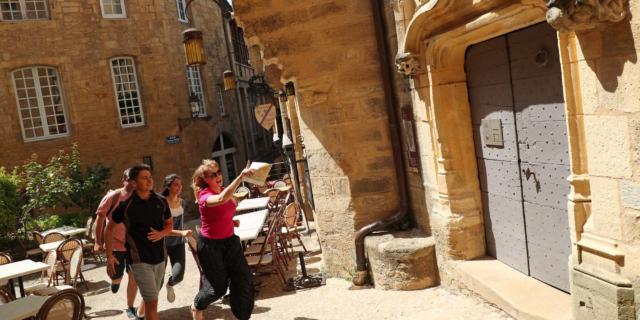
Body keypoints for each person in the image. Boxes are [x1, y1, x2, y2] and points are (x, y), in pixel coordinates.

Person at [106, 164, 173, 320]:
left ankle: (140, 315)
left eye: (150, 177)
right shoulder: (126, 206)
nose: (149, 180)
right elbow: (108, 229)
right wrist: (109, 255)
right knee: (152, 302)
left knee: (152, 299)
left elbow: (169, 224)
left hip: (160, 258)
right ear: (134, 183)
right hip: (139, 260)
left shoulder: (161, 201)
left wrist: (162, 233)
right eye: (144, 178)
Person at [191, 160, 255, 320]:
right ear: (205, 179)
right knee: (217, 290)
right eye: (213, 175)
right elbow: (220, 200)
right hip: (211, 247)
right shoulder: (204, 196)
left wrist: (230, 221)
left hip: (230, 241)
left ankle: (242, 316)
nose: (218, 176)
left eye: (219, 172)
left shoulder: (222, 189)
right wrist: (240, 177)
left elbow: (223, 209)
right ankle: (197, 304)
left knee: (243, 279)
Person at [94, 168, 142, 319]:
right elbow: (100, 219)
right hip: (115, 244)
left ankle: (130, 307)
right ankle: (115, 281)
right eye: (130, 179)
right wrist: (97, 242)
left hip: (133, 246)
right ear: (124, 180)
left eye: (136, 180)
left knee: (134, 277)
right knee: (116, 276)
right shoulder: (113, 197)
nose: (134, 183)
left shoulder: (141, 197)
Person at [161, 174, 192, 303]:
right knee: (157, 281)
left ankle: (170, 285)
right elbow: (163, 230)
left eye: (180, 184)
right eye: (176, 184)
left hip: (178, 245)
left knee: (178, 276)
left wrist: (185, 234)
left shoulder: (182, 202)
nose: (180, 187)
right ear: (168, 186)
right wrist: (181, 233)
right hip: (162, 246)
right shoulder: (161, 204)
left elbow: (181, 224)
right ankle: (147, 310)